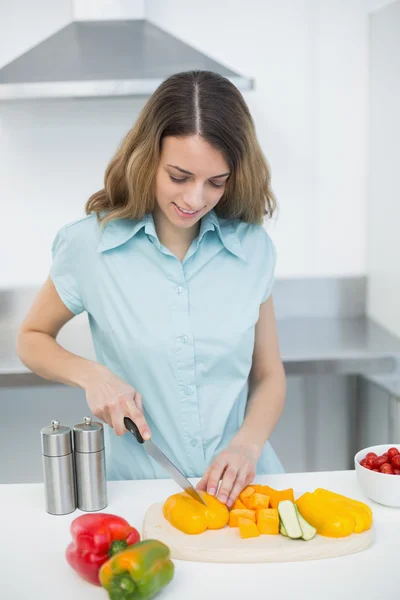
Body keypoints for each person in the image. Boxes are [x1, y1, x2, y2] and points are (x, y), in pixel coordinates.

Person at [17, 70, 286, 508]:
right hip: (137, 494)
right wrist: (93, 376)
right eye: (179, 176)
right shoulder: (90, 245)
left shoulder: (252, 249)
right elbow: (31, 339)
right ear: (148, 158)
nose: (196, 199)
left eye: (216, 182)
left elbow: (269, 375)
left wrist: (247, 446)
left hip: (247, 493)